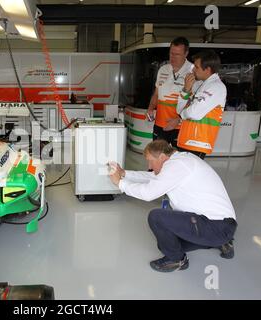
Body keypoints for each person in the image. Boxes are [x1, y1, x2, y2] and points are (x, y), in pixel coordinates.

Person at [108, 140, 237, 272]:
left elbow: (148, 193)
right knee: (172, 242)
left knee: (157, 217)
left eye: (151, 161)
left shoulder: (177, 165)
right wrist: (125, 174)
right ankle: (222, 242)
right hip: (221, 224)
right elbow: (154, 177)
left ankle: (177, 260)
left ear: (163, 157)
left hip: (215, 226)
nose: (150, 165)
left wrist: (120, 184)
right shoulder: (182, 160)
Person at [176, 50, 226, 159]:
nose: (193, 69)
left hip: (197, 143)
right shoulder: (201, 85)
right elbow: (179, 109)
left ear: (207, 69)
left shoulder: (216, 87)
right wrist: (186, 89)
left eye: (196, 67)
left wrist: (183, 114)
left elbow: (193, 113)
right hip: (188, 141)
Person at [146, 37, 193, 147]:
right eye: (171, 53)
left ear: (186, 53)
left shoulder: (193, 71)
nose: (173, 57)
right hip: (160, 125)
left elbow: (194, 101)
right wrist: (150, 108)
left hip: (181, 126)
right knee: (157, 157)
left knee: (178, 161)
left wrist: (178, 119)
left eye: (177, 54)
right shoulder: (163, 69)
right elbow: (157, 93)